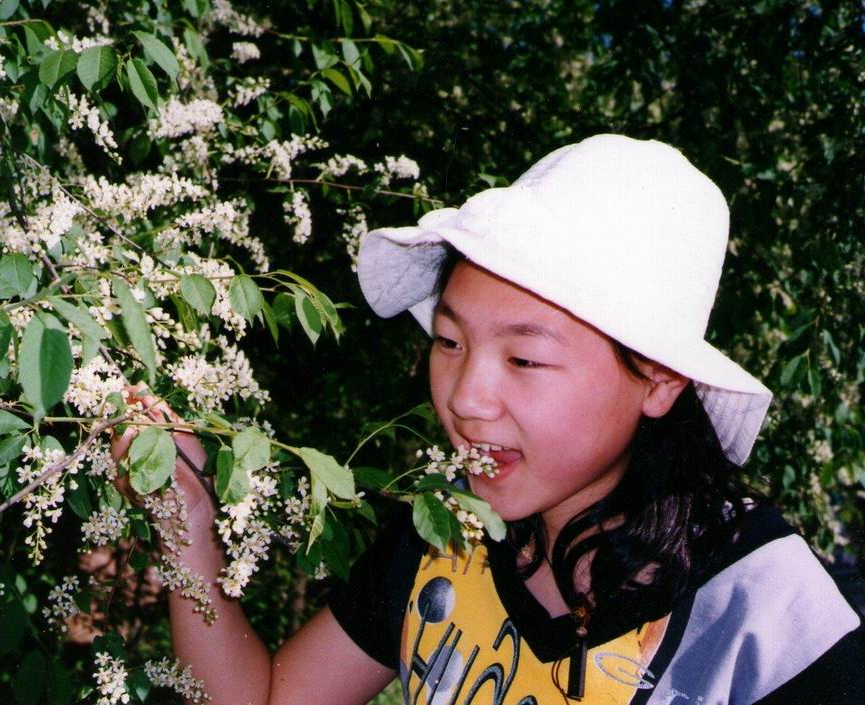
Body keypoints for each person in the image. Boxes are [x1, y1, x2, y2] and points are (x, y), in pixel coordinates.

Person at [111, 134, 865, 704]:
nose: (466, 397)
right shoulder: (443, 535)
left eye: (525, 359)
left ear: (659, 379)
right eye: (449, 340)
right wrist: (189, 522)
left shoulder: (759, 602)